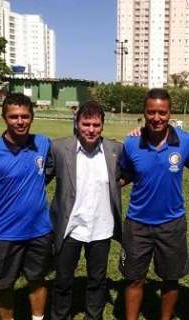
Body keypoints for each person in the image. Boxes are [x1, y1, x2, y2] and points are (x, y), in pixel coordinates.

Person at [0, 93, 52, 320]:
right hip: (5, 235)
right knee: (4, 286)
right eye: (14, 116)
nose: (20, 121)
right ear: (4, 118)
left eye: (25, 116)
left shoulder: (43, 144)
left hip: (40, 231)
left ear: (32, 118)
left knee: (37, 279)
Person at [120, 88, 189, 320]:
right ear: (144, 113)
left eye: (162, 112)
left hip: (172, 223)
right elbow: (126, 174)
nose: (157, 118)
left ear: (170, 113)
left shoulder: (185, 142)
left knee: (170, 278)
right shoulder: (131, 143)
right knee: (134, 278)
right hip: (137, 223)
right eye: (151, 112)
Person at [47, 101, 123, 320]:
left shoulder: (115, 150)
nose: (91, 129)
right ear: (77, 123)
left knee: (97, 281)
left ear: (102, 126)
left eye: (96, 125)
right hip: (70, 227)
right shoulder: (59, 148)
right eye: (86, 124)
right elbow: (42, 176)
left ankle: (93, 316)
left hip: (101, 227)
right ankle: (60, 316)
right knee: (62, 280)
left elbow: (131, 171)